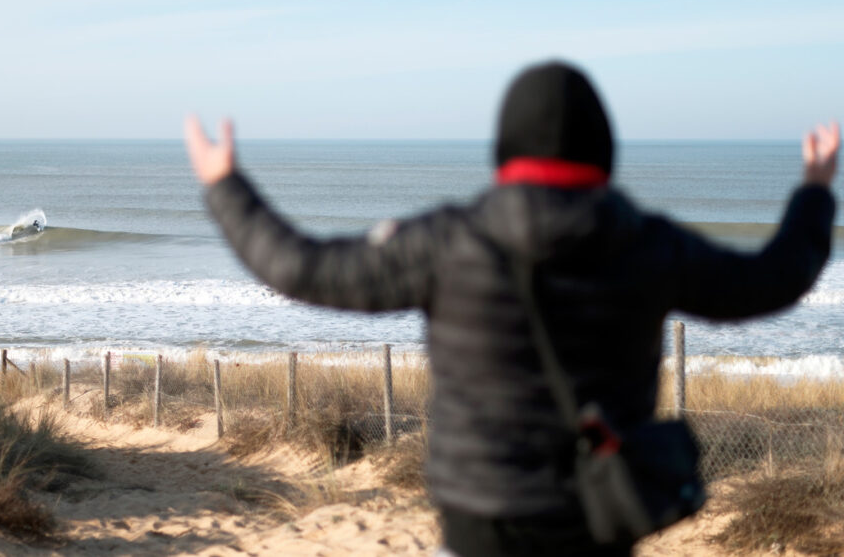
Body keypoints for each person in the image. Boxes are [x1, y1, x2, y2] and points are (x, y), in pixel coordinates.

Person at [183, 61, 838, 556]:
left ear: (504, 149)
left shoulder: (450, 241)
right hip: (600, 505)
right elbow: (772, 280)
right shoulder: (648, 243)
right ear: (603, 150)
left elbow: (303, 267)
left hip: (481, 511)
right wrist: (813, 191)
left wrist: (225, 188)